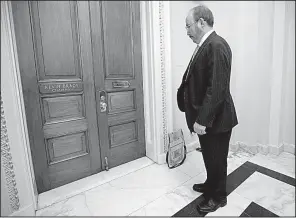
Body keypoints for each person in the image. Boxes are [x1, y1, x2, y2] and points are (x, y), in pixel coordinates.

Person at [177, 5, 238, 213]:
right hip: (208, 116)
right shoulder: (206, 45)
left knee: (217, 159)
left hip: (216, 119)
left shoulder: (216, 45)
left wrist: (202, 120)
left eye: (188, 25)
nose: (186, 31)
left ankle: (219, 197)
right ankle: (211, 185)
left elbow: (217, 88)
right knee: (210, 157)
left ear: (201, 22)